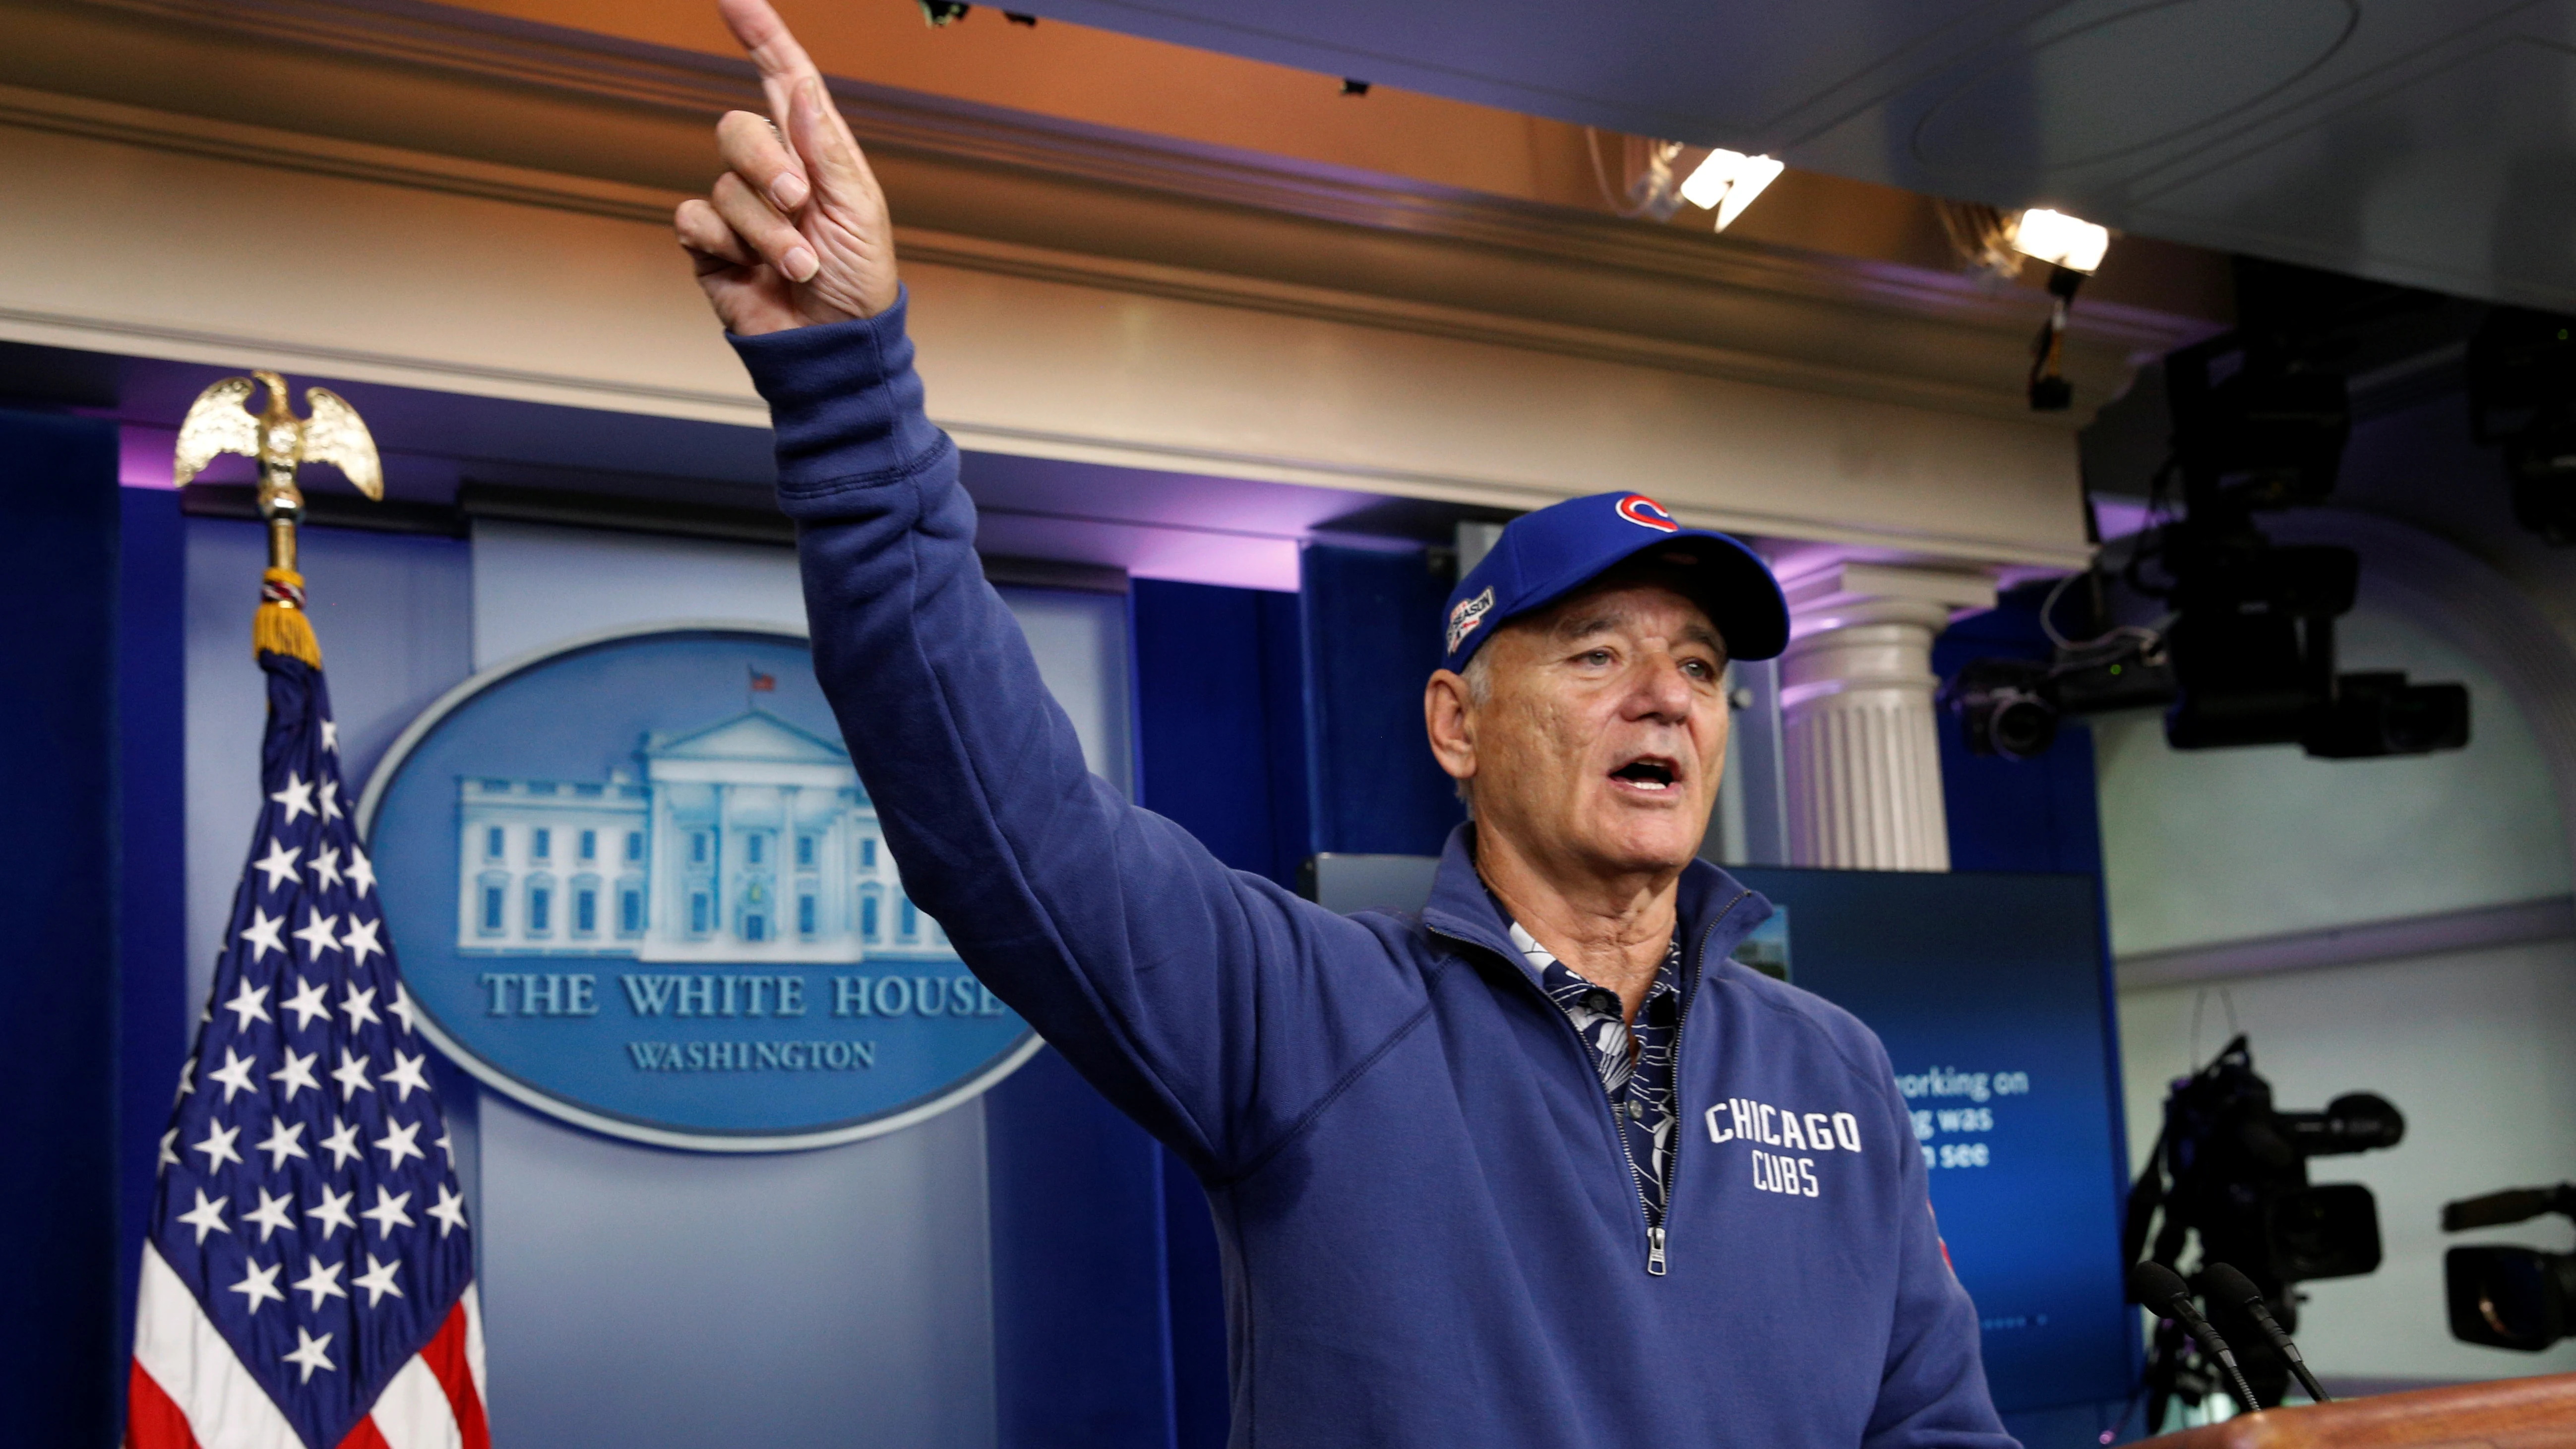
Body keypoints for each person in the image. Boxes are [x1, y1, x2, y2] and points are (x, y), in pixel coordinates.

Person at [675, 3, 2016, 1443]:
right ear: (1458, 723)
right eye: (1594, 654)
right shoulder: (1303, 1010)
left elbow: (1936, 1428)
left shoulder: (1834, 1070)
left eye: (1698, 667)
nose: (1664, 698)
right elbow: (1003, 818)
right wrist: (848, 398)